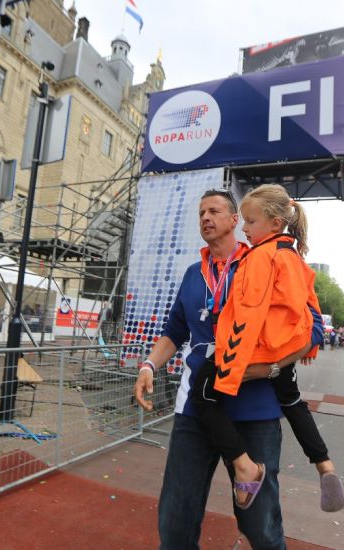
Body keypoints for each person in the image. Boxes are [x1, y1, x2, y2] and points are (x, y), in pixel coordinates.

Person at [133, 188, 318, 549]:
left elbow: (312, 329)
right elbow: (174, 332)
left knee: (260, 523)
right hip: (197, 408)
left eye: (214, 211)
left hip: (254, 410)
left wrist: (267, 369)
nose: (205, 217)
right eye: (201, 212)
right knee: (175, 519)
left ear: (236, 220)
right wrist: (149, 366)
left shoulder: (268, 260)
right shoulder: (193, 274)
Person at [189, 183, 344, 514]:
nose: (245, 229)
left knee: (201, 395)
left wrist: (233, 362)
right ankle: (324, 464)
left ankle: (244, 466)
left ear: (274, 223)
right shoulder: (294, 256)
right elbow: (310, 308)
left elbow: (248, 310)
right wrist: (297, 351)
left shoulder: (260, 256)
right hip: (284, 350)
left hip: (257, 349)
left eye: (250, 221)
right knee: (293, 402)